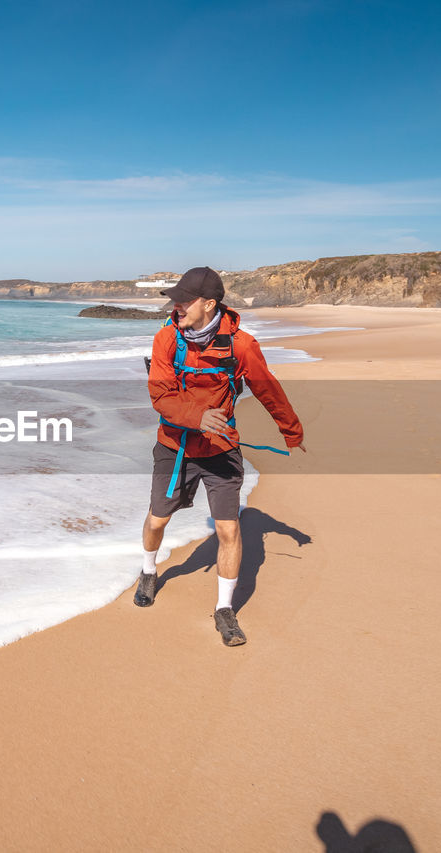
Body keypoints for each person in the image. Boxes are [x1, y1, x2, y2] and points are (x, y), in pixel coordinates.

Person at [135, 266, 306, 646]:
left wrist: (291, 430)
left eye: (185, 300)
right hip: (175, 445)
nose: (176, 306)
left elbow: (268, 389)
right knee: (158, 519)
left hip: (221, 448)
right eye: (175, 299)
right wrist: (196, 417)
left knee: (228, 529)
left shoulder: (241, 345)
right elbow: (160, 395)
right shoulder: (166, 339)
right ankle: (148, 571)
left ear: (209, 304)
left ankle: (224, 609)